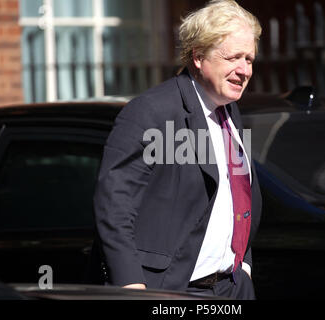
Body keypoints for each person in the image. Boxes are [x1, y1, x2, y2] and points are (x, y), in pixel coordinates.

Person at [93, 0, 262, 299]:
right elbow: (114, 205)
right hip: (171, 291)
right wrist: (131, 286)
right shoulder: (151, 111)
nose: (243, 70)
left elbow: (240, 198)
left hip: (231, 289)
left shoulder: (230, 111)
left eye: (249, 59)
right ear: (198, 56)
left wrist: (243, 266)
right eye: (234, 57)